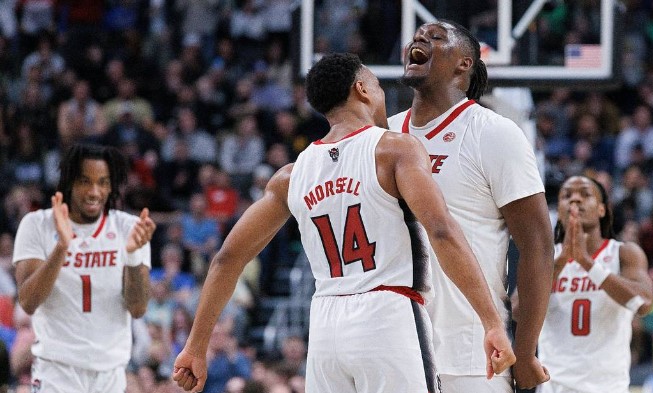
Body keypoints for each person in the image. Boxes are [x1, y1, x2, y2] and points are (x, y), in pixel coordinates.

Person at [173, 53, 516, 393]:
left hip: (325, 327)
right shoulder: (395, 150)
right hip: (388, 314)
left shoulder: (290, 177)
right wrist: (490, 321)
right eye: (378, 86)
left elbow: (227, 258)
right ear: (362, 89)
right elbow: (441, 231)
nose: (381, 96)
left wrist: (195, 346)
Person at [388, 19, 553, 391]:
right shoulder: (383, 135)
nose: (419, 39)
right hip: (391, 347)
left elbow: (538, 246)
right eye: (416, 36)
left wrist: (525, 352)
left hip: (470, 353)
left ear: (464, 63)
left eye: (435, 37)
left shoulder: (494, 132)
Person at [12, 144, 156, 392]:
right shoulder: (37, 224)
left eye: (103, 182)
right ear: (69, 182)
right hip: (57, 370)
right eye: (84, 181)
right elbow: (28, 301)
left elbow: (138, 307)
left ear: (112, 186)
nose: (94, 191)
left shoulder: (129, 228)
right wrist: (62, 248)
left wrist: (132, 255)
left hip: (111, 372)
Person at [537, 176, 653, 393]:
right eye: (567, 195)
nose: (575, 200)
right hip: (554, 386)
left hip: (607, 386)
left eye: (585, 194)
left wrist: (587, 263)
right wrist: (562, 262)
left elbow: (644, 304)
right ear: (558, 210)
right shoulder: (547, 258)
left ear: (602, 210)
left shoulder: (623, 253)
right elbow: (517, 310)